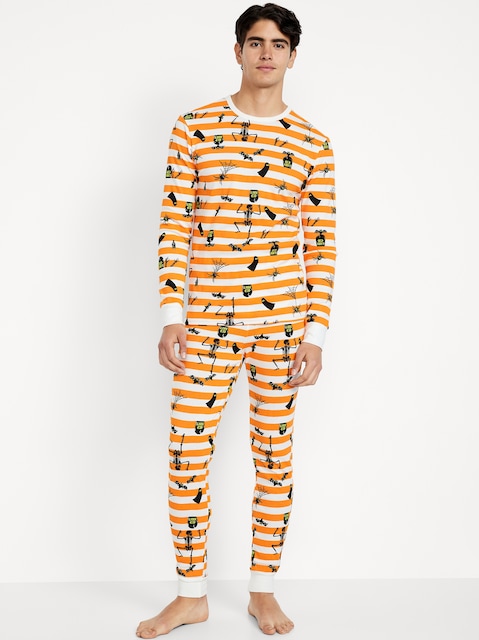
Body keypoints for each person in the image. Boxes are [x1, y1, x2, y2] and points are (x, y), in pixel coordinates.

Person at [136, 2, 336, 636]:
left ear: (293, 56)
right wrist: (172, 314)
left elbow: (321, 244)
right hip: (204, 324)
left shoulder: (312, 143)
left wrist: (315, 334)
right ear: (238, 51)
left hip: (282, 328)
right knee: (187, 454)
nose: (266, 53)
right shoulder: (194, 128)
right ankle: (191, 594)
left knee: (274, 458)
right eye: (255, 42)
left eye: (278, 44)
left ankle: (262, 591)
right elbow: (173, 225)